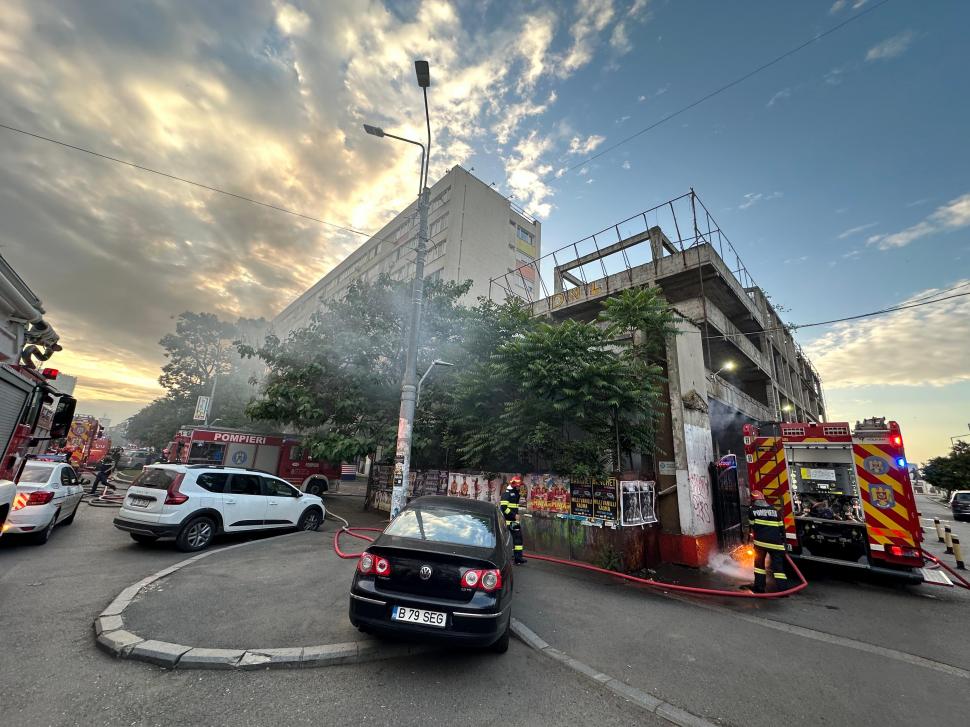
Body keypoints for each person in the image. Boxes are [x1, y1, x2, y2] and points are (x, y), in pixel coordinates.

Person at [747, 489, 788, 593]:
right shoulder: (775, 511)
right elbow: (781, 529)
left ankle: (759, 587)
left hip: (760, 544)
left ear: (753, 500)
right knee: (778, 568)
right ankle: (783, 590)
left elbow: (752, 526)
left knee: (759, 566)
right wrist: (783, 543)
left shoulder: (752, 511)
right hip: (776, 545)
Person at [500, 475, 526, 565]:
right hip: (508, 521)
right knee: (505, 540)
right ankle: (512, 558)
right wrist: (514, 515)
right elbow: (503, 508)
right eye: (518, 485)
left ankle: (518, 558)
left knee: (518, 538)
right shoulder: (506, 493)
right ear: (513, 484)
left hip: (514, 521)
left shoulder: (515, 492)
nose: (519, 486)